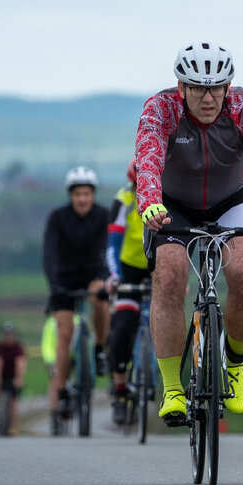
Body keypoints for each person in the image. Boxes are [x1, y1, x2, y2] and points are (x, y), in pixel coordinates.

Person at [136, 42, 243, 424]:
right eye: (198, 88)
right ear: (181, 87)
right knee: (168, 278)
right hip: (173, 204)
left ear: (228, 86)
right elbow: (149, 159)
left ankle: (235, 365)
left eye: (216, 88)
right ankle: (172, 388)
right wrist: (150, 202)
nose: (208, 97)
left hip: (230, 199)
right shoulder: (161, 109)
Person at [42, 166, 111, 420]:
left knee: (100, 296)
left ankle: (101, 348)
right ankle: (61, 390)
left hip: (94, 274)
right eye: (77, 194)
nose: (82, 198)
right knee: (64, 332)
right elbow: (49, 254)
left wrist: (106, 278)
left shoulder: (104, 215)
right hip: (64, 280)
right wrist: (53, 283)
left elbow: (109, 248)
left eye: (86, 193)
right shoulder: (57, 218)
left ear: (92, 195)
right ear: (71, 196)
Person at [104, 161, 150, 425]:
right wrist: (114, 277)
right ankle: (120, 390)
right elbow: (112, 244)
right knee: (122, 327)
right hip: (128, 270)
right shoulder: (123, 201)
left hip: (157, 266)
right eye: (136, 185)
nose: (140, 189)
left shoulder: (167, 197)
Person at [0, 323, 28, 435]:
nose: (8, 337)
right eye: (6, 335)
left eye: (10, 335)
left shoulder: (18, 347)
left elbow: (20, 363)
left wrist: (19, 378)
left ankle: (14, 427)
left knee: (13, 401)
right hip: (2, 376)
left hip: (13, 377)